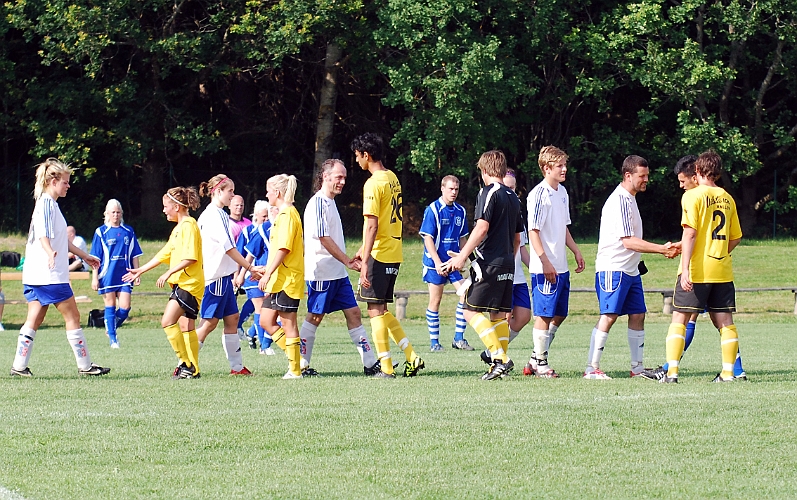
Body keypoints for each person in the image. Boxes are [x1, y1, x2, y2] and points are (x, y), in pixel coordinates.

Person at [641, 155, 747, 381]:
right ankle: (729, 373)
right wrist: (719, 252)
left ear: (697, 169)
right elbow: (736, 237)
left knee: (679, 318)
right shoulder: (727, 198)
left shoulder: (693, 195)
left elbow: (690, 233)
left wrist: (686, 269)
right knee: (726, 322)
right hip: (722, 270)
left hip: (698, 270)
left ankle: (671, 373)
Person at [10, 158, 110, 377]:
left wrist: (85, 256)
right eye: (65, 182)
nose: (68, 186)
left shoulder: (48, 204)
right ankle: (85, 366)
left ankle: (19, 366)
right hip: (49, 274)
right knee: (73, 316)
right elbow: (44, 234)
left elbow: (60, 240)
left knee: (34, 318)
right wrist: (49, 252)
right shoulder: (47, 203)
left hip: (35, 275)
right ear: (53, 181)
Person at [584, 155, 679, 380]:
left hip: (631, 269)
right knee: (609, 315)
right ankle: (591, 368)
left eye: (647, 175)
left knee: (637, 314)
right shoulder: (620, 200)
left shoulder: (630, 199)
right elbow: (628, 241)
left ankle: (637, 368)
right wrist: (661, 249)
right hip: (613, 268)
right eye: (642, 176)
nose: (646, 180)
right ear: (628, 175)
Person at [445, 150, 524, 380]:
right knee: (498, 315)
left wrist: (462, 256)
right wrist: (507, 259)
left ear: (485, 170)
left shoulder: (489, 192)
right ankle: (499, 368)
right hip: (508, 263)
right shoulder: (513, 197)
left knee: (469, 310)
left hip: (489, 263)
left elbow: (482, 227)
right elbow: (517, 238)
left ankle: (499, 358)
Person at [299, 159, 382, 376]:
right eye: (339, 177)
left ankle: (370, 365)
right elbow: (323, 237)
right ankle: (301, 365)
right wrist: (347, 260)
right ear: (325, 177)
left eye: (344, 177)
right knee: (315, 317)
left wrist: (346, 260)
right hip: (321, 273)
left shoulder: (330, 202)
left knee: (354, 313)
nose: (343, 181)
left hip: (337, 273)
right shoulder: (318, 203)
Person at [351, 133, 425, 378]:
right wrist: (362, 249)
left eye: (358, 155)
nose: (357, 160)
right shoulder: (392, 178)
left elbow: (372, 225)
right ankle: (411, 356)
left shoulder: (373, 184)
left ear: (367, 155)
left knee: (374, 310)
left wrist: (365, 262)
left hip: (380, 253)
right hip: (394, 251)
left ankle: (386, 367)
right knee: (381, 309)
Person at [123, 186, 203, 379]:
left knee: (167, 321)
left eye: (166, 206)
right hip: (183, 283)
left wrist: (168, 272)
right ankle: (194, 369)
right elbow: (164, 253)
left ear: (176, 207)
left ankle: (186, 364)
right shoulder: (179, 229)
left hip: (189, 284)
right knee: (186, 327)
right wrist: (141, 269)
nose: (164, 210)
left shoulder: (189, 226)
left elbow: (190, 258)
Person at [523, 147, 586, 378]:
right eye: (559, 165)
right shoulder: (538, 194)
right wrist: (544, 262)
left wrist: (576, 251)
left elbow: (563, 227)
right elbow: (533, 232)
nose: (564, 169)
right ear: (546, 168)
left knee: (560, 314)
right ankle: (541, 363)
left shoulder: (562, 192)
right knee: (544, 315)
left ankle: (534, 358)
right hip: (545, 268)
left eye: (564, 164)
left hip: (561, 267)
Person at [195, 174, 262, 376]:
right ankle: (185, 363)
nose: (233, 195)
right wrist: (250, 268)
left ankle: (237, 367)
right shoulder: (214, 215)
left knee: (232, 318)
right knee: (209, 323)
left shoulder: (219, 214)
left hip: (224, 277)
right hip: (215, 277)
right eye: (230, 191)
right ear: (217, 191)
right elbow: (229, 248)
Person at [258, 174, 305, 379]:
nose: (267, 194)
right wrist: (265, 269)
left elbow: (284, 249)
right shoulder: (282, 215)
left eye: (268, 190)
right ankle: (298, 360)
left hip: (287, 279)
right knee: (265, 321)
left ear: (277, 192)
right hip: (278, 279)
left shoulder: (288, 215)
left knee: (288, 323)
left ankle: (295, 370)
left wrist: (268, 274)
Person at [419, 175, 472, 352]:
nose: (454, 192)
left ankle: (459, 338)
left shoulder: (460, 211)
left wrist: (464, 258)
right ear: (442, 189)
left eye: (456, 189)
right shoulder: (433, 209)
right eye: (450, 189)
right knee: (435, 300)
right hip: (435, 263)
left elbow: (463, 238)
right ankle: (434, 343)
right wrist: (437, 262)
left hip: (453, 262)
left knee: (465, 293)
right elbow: (428, 238)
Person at [89, 199, 143, 348]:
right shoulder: (101, 232)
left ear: (121, 214)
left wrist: (137, 273)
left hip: (125, 274)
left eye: (118, 212)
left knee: (125, 308)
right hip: (107, 275)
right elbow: (95, 258)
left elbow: (134, 254)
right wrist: (95, 278)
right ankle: (113, 339)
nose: (115, 215)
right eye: (113, 212)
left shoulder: (128, 231)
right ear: (107, 213)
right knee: (110, 305)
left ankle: (110, 327)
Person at [234, 200, 273, 353]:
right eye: (264, 216)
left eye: (268, 216)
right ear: (256, 215)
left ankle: (251, 332)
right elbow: (240, 255)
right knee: (260, 307)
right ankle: (264, 346)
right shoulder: (248, 231)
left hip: (267, 275)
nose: (266, 219)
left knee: (264, 308)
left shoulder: (270, 229)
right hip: (252, 276)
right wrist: (238, 275)